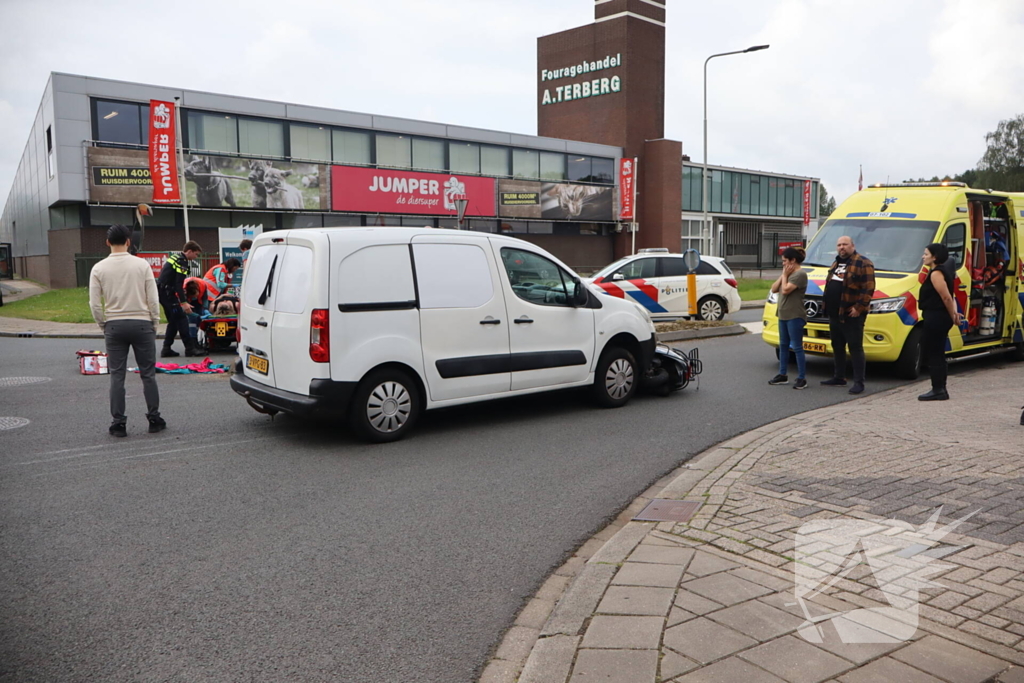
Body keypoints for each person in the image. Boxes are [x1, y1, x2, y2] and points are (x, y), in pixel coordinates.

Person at [88, 224, 164, 437]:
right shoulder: (142, 265)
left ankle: (118, 422)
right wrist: (154, 322)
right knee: (148, 374)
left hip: (114, 324)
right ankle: (154, 418)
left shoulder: (99, 268)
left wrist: (103, 324)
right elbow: (153, 298)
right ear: (129, 242)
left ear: (108, 242)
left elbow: (94, 304)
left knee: (117, 376)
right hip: (141, 323)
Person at [821, 235, 875, 394]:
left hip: (851, 314)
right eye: (839, 245)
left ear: (852, 245)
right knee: (837, 346)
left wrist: (859, 307)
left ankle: (859, 382)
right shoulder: (836, 262)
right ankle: (839, 377)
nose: (841, 247)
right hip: (834, 313)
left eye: (845, 244)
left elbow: (869, 288)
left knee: (855, 347)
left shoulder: (863, 263)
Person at [918, 243, 961, 401]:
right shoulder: (943, 271)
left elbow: (946, 297)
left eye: (926, 254)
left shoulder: (936, 273)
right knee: (938, 352)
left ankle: (938, 389)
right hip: (939, 315)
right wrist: (953, 313)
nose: (923, 256)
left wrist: (953, 316)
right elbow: (952, 295)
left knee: (934, 352)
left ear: (935, 257)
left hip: (936, 316)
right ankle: (940, 387)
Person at [769, 246, 809, 389]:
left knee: (797, 347)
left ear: (793, 260)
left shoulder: (800, 274)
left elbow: (785, 290)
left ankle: (801, 378)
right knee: (783, 345)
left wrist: (785, 276)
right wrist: (783, 274)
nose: (783, 264)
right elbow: (774, 289)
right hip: (783, 314)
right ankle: (782, 375)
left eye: (785, 261)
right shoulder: (786, 273)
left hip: (795, 315)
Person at [157, 241, 202, 357]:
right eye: (196, 254)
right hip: (167, 293)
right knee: (182, 319)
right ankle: (190, 348)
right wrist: (184, 302)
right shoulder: (182, 261)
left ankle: (166, 348)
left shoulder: (176, 257)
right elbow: (178, 284)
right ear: (190, 251)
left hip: (162, 292)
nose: (196, 257)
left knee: (173, 321)